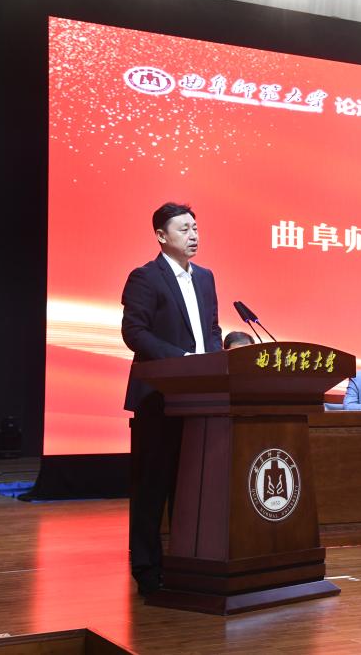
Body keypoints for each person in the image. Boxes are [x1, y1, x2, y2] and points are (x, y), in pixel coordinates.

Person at [121, 202, 222, 596]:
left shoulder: (206, 278)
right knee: (152, 486)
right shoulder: (146, 277)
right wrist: (181, 360)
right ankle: (147, 568)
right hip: (159, 398)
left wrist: (213, 363)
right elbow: (135, 332)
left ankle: (187, 562)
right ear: (162, 236)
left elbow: (211, 330)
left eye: (195, 227)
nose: (193, 235)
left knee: (191, 485)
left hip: (200, 398)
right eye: (184, 228)